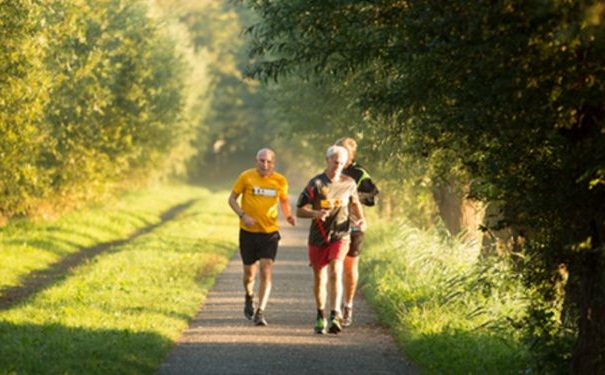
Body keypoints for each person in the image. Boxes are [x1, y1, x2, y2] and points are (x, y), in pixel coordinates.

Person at [296, 145, 366, 334]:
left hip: (341, 234)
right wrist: (316, 213)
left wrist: (361, 219)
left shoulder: (349, 183)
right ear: (327, 161)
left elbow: (355, 203)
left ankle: (335, 314)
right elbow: (299, 210)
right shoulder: (316, 183)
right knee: (320, 277)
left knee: (336, 269)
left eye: (342, 163)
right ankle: (321, 315)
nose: (338, 167)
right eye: (335, 162)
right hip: (318, 237)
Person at [228, 148, 296, 326]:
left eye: (268, 161)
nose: (264, 164)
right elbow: (231, 200)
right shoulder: (246, 177)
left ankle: (261, 311)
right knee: (249, 275)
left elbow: (284, 201)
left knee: (266, 272)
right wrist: (243, 216)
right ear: (256, 161)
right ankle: (249, 296)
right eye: (261, 161)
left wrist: (289, 216)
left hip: (270, 233)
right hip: (248, 233)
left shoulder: (280, 180)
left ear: (273, 163)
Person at [335, 137, 380, 327]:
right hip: (334, 225)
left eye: (345, 152)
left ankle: (348, 305)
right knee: (334, 267)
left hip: (354, 226)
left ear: (352, 155)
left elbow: (373, 197)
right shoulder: (332, 170)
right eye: (338, 151)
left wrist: (353, 197)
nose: (341, 155)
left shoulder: (360, 174)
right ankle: (334, 309)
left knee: (349, 268)